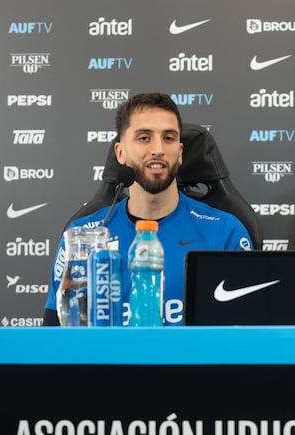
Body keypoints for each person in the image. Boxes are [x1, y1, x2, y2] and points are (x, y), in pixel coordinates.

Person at [43, 92, 252, 326]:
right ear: (121, 153)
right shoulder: (83, 236)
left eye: (169, 138)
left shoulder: (225, 232)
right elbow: (55, 337)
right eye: (144, 138)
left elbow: (245, 344)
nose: (158, 149)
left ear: (180, 153)